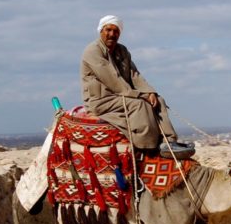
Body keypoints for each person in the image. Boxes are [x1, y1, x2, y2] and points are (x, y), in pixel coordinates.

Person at [80, 15, 194, 158]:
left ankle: (168, 141)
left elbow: (135, 75)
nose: (112, 34)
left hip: (120, 96)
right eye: (108, 30)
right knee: (139, 105)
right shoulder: (92, 51)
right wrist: (141, 96)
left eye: (116, 31)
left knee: (159, 100)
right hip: (102, 100)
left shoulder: (122, 50)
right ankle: (146, 147)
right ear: (101, 31)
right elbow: (113, 80)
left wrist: (150, 92)